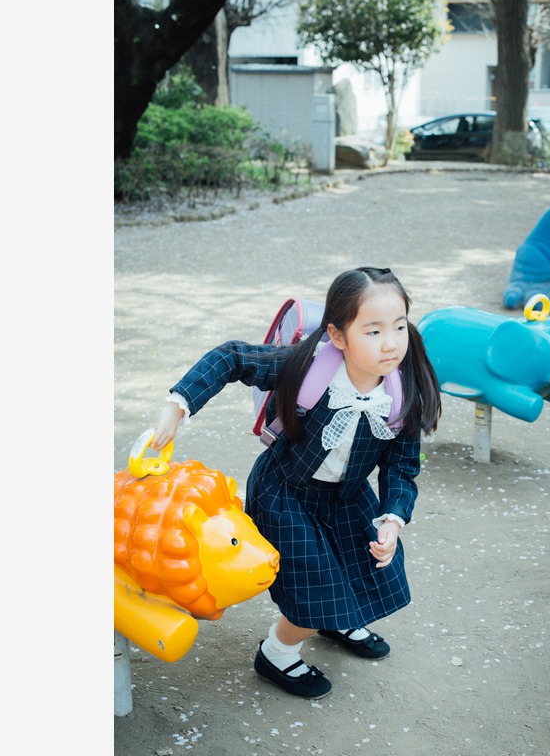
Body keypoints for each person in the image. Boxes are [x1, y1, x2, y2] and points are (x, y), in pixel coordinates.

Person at [150, 267, 441, 699]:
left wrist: (394, 518)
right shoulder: (307, 369)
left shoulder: (402, 391)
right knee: (312, 592)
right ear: (338, 336)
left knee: (366, 569)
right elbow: (232, 357)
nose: (392, 342)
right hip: (285, 490)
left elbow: (402, 465)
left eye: (399, 326)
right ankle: (276, 653)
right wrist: (178, 405)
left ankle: (339, 617)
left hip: (346, 495)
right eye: (374, 330)